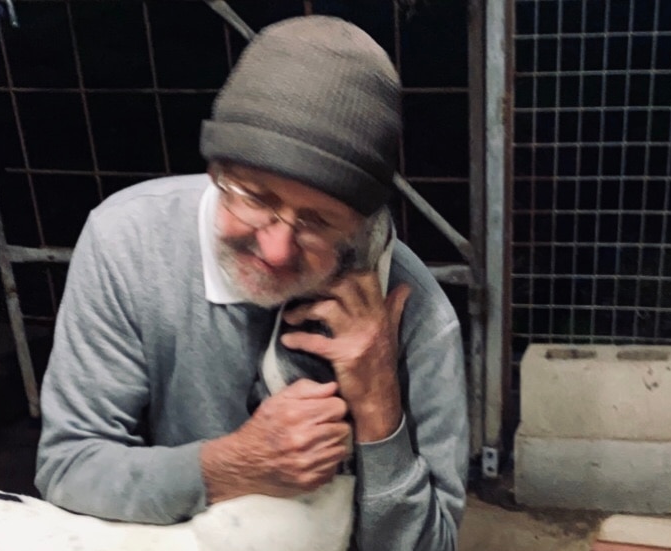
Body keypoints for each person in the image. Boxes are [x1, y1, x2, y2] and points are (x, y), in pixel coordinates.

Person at [34, 15, 468, 551]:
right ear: (216, 169)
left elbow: (433, 546)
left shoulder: (416, 312)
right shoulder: (128, 242)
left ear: (359, 223)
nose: (277, 248)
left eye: (318, 221)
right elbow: (68, 467)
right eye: (255, 197)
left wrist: (380, 405)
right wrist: (233, 465)